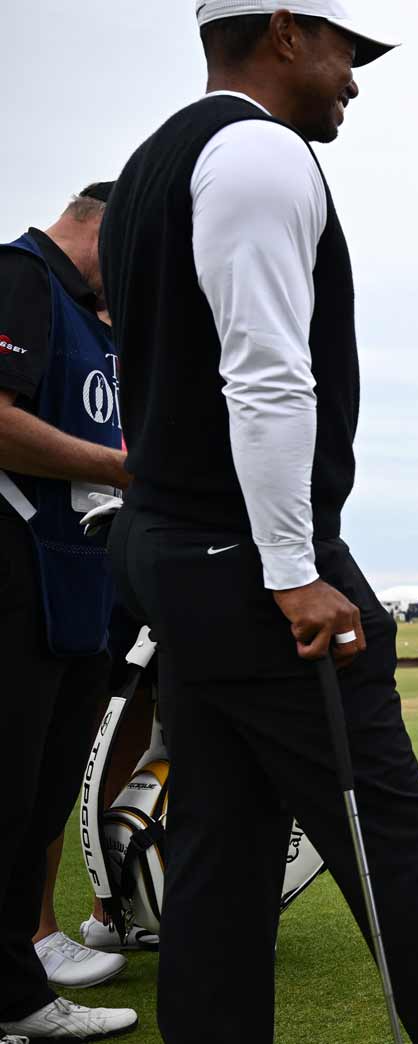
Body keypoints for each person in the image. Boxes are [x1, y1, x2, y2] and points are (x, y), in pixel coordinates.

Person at [100, 5, 418, 1040]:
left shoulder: (154, 161)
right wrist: (293, 567)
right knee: (386, 834)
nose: (352, 78)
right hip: (252, 561)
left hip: (179, 547)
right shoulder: (258, 153)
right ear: (287, 32)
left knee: (222, 839)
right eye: (345, 51)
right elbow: (265, 375)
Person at [0, 184, 141, 1040]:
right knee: (11, 793)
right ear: (104, 225)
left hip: (76, 585)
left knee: (38, 796)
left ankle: (17, 989)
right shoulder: (18, 276)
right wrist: (124, 466)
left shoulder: (89, 314)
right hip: (18, 578)